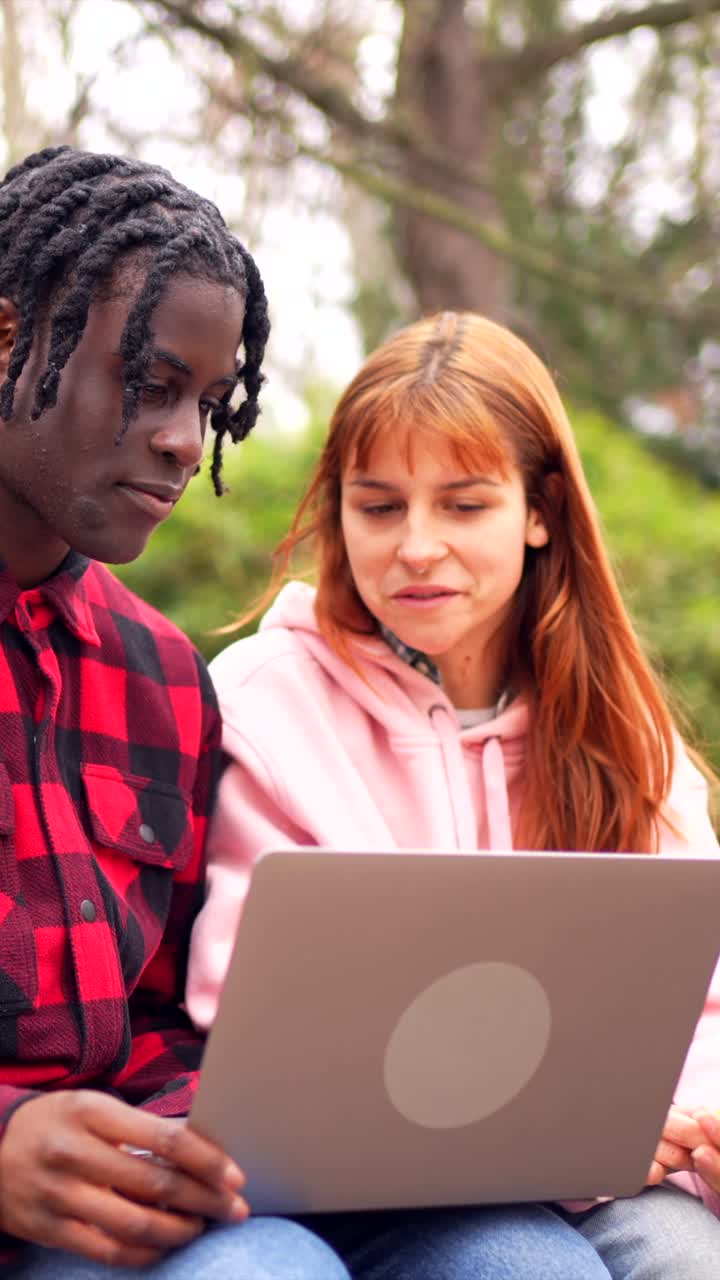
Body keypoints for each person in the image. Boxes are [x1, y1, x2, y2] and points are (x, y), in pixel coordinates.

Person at [187, 310, 720, 1278]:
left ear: (540, 508)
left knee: (687, 1257)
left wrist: (685, 1124)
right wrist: (569, 1144)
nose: (416, 546)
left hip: (608, 1168)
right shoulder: (266, 702)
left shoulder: (623, 729)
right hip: (346, 1188)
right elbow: (245, 1015)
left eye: (464, 504)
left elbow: (703, 999)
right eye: (379, 505)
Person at [0, 145, 353, 1280]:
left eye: (207, 401)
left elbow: (159, 1010)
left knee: (518, 1258)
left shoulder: (157, 672)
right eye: (148, 384)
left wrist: (211, 1121)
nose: (182, 440)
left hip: (138, 1207)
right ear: (7, 340)